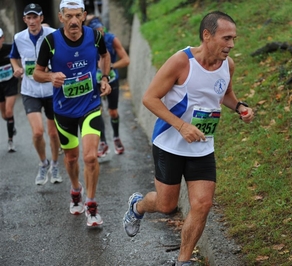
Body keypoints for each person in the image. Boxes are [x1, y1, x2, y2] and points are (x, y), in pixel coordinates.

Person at [122, 11, 254, 265]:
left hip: (203, 146)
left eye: (234, 38)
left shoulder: (228, 65)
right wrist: (182, 126)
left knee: (202, 204)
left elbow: (224, 93)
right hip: (169, 143)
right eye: (226, 38)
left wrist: (239, 107)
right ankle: (137, 206)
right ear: (207, 35)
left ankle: (182, 261)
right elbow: (149, 98)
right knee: (166, 205)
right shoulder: (181, 62)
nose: (231, 45)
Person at [33, 0, 112, 227]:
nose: (74, 21)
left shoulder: (95, 37)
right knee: (71, 157)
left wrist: (104, 78)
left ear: (85, 15)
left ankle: (91, 203)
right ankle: (76, 189)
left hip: (90, 105)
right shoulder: (50, 41)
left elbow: (105, 56)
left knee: (89, 157)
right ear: (61, 17)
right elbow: (37, 73)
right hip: (64, 109)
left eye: (78, 16)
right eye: (69, 16)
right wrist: (50, 76)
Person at [10, 3, 62, 185]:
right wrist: (16, 68)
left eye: (35, 17)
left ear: (41, 18)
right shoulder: (19, 38)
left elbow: (63, 55)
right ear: (24, 20)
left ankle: (55, 164)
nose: (32, 21)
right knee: (38, 133)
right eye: (28, 18)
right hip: (30, 90)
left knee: (54, 134)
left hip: (50, 90)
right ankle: (43, 163)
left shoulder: (54, 35)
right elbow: (13, 56)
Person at [85, 15, 130, 157]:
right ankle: (103, 142)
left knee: (113, 112)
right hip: (95, 81)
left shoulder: (111, 39)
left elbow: (126, 60)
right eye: (97, 31)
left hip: (111, 79)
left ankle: (116, 137)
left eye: (101, 29)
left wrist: (110, 66)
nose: (101, 32)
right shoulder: (86, 42)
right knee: (97, 112)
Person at [0, 28, 18, 152]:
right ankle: (11, 125)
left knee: (9, 111)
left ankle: (10, 140)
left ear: (2, 38)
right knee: (4, 115)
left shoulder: (10, 48)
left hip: (10, 82)